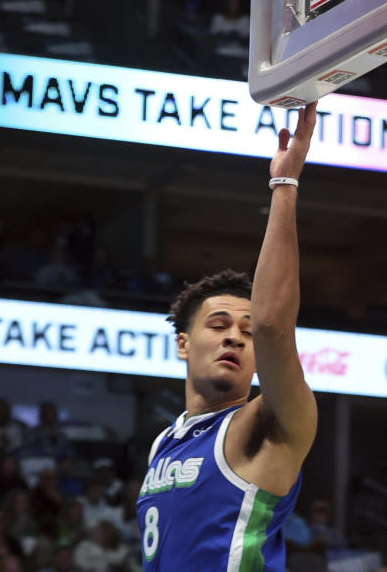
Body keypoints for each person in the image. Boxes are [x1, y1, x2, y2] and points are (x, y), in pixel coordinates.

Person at [136, 105, 319, 571]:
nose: (236, 338)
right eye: (218, 325)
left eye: (246, 331)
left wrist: (285, 184)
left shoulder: (267, 425)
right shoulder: (165, 443)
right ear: (183, 343)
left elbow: (275, 325)